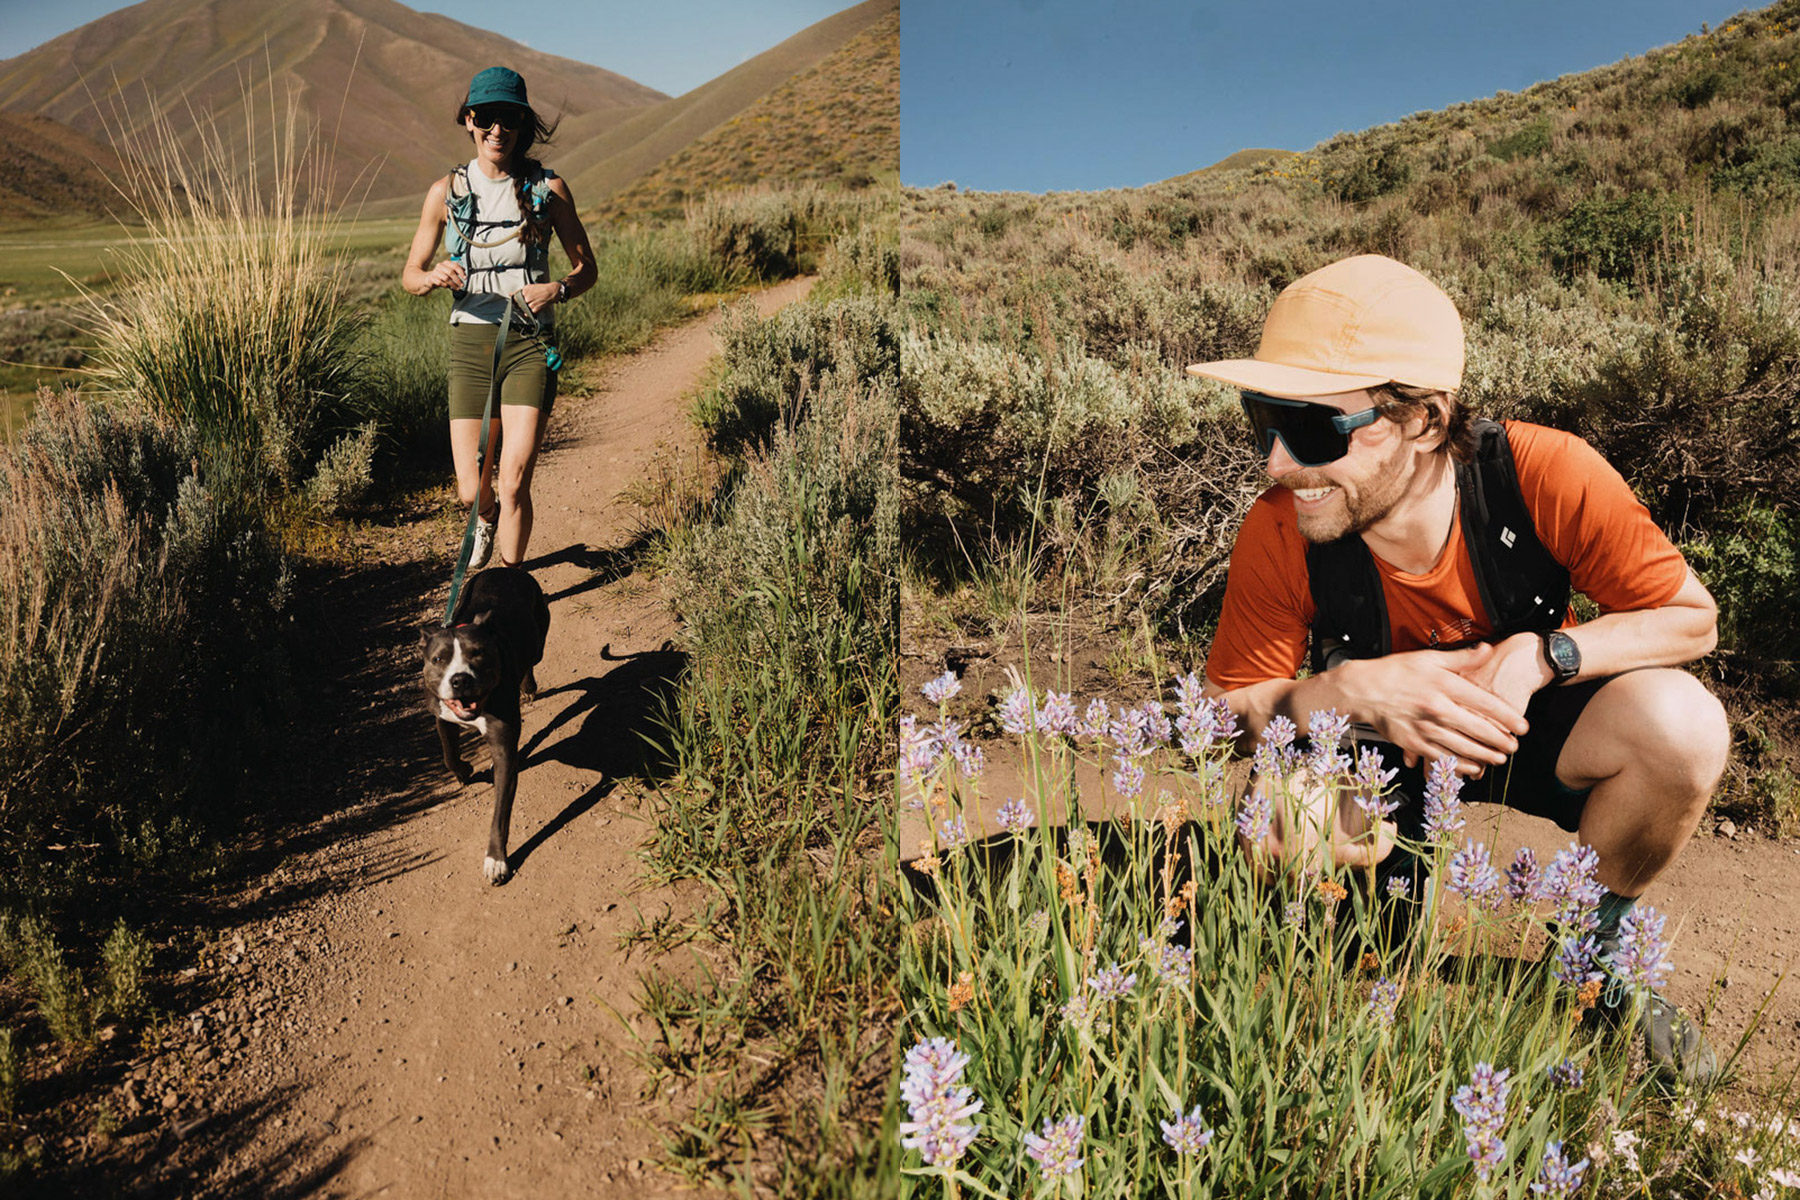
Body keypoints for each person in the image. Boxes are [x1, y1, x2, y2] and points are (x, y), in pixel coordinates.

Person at [1185, 254, 1728, 1085]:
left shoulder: (1544, 473)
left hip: (1521, 720)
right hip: (1374, 746)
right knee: (1276, 811)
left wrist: (1547, 655)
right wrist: (1339, 690)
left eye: (1316, 428)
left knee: (1681, 728)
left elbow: (1694, 618)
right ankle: (1351, 963)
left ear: (1428, 420)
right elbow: (1222, 716)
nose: (1277, 464)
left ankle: (1594, 956)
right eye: (1263, 418)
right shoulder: (1281, 527)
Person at [403, 66, 596, 570]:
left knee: (512, 481)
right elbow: (409, 274)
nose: (497, 129)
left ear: (522, 124)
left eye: (508, 118)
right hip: (470, 344)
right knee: (472, 491)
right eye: (486, 117)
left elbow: (586, 268)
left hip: (531, 342)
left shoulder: (548, 188)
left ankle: (509, 585)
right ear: (469, 119)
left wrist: (559, 288)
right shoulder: (445, 192)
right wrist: (432, 276)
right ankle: (484, 518)